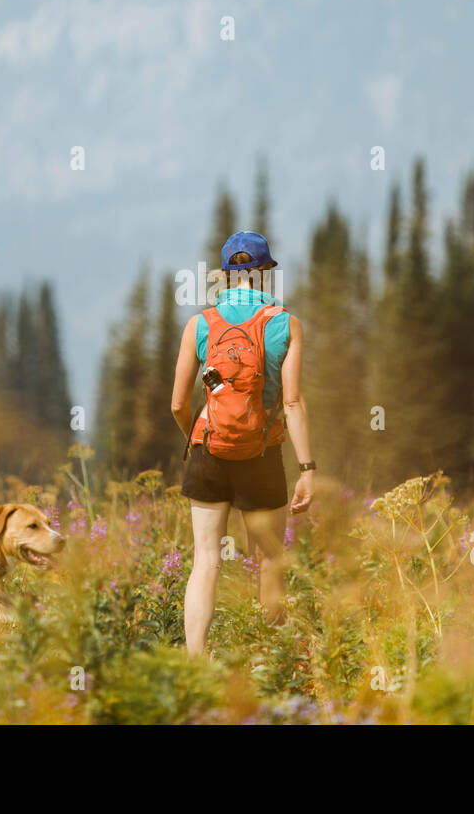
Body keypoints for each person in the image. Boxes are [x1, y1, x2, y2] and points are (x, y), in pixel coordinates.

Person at [170, 230, 315, 656]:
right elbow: (291, 401)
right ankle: (269, 658)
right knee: (269, 562)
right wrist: (307, 468)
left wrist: (198, 441)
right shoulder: (285, 323)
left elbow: (178, 403)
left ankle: (195, 661)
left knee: (205, 563)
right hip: (263, 454)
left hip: (208, 451)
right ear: (266, 271)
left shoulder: (199, 324)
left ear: (226, 274)